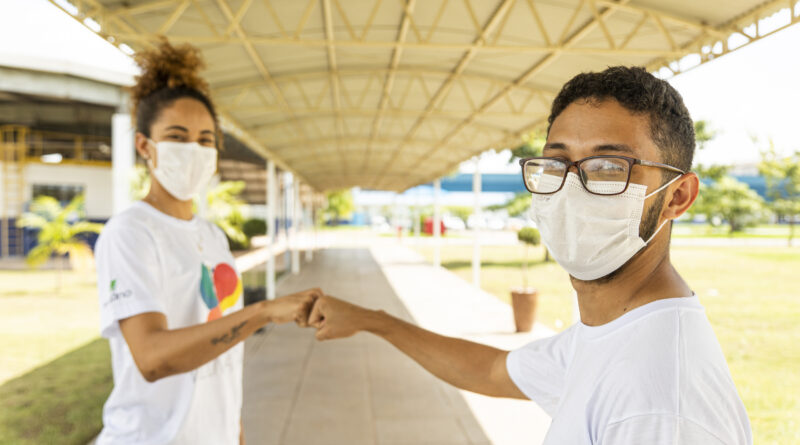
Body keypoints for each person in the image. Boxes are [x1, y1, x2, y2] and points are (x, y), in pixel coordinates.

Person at [307, 66, 752, 444]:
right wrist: (373, 320)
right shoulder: (611, 331)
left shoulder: (660, 404)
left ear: (677, 196)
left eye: (609, 167)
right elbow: (493, 371)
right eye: (557, 163)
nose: (572, 188)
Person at [94, 40, 321, 445]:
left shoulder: (210, 234)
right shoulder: (130, 233)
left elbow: (224, 356)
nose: (194, 151)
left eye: (205, 140)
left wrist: (235, 434)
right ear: (145, 145)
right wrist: (263, 312)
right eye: (177, 137)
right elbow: (152, 358)